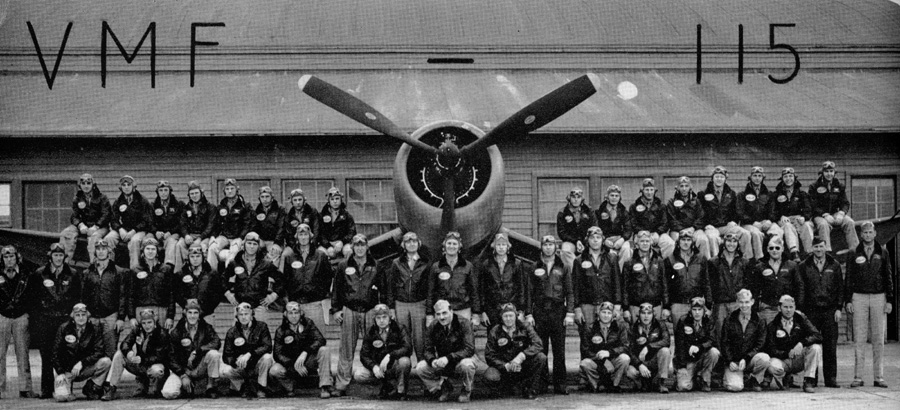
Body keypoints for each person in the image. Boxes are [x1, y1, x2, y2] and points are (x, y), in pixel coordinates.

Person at [331, 233, 383, 396]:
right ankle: (341, 384)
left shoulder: (377, 265)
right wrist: (336, 309)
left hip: (370, 310)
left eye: (362, 245)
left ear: (367, 247)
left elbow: (384, 289)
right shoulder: (343, 265)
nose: (360, 248)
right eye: (357, 245)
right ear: (352, 247)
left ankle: (379, 381)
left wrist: (385, 309)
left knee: (375, 347)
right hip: (350, 309)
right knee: (346, 349)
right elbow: (336, 290)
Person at [845, 221, 893, 388]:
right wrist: (848, 300)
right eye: (864, 232)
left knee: (878, 338)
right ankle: (858, 377)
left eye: (869, 232)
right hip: (859, 297)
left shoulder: (883, 252)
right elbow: (848, 278)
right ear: (860, 235)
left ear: (875, 233)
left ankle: (879, 377)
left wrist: (890, 300)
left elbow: (888, 277)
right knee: (859, 338)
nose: (867, 235)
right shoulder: (853, 253)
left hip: (879, 297)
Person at [527, 235, 575, 395]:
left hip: (558, 312)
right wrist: (529, 314)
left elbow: (569, 291)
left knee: (559, 350)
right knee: (541, 349)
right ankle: (541, 384)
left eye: (551, 244)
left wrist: (570, 313)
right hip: (540, 312)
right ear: (541, 247)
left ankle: (560, 384)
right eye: (545, 245)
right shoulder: (534, 267)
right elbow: (529, 293)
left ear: (556, 247)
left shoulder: (564, 267)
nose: (548, 247)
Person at [34, 243, 83, 399]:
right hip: (46, 319)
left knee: (67, 352)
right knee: (46, 354)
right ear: (50, 257)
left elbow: (77, 297)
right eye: (55, 255)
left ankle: (67, 387)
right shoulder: (40, 273)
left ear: (64, 257)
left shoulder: (73, 274)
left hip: (65, 319)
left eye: (61, 255)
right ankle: (47, 389)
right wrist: (38, 319)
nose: (58, 258)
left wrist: (72, 318)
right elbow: (34, 299)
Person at [796, 238, 843, 388]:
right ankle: (812, 378)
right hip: (811, 311)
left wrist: (839, 308)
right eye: (815, 246)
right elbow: (801, 288)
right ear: (811, 248)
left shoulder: (834, 264)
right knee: (812, 344)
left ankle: (831, 379)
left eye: (821, 246)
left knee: (830, 346)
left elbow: (840, 288)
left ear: (825, 247)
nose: (818, 249)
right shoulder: (804, 265)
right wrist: (802, 311)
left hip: (829, 310)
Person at [416, 299, 477, 403]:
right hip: (443, 363)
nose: (442, 317)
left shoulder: (464, 323)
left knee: (467, 365)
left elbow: (469, 349)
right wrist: (432, 360)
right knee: (421, 367)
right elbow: (427, 349)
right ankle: (443, 387)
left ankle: (466, 390)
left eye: (444, 313)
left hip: (459, 361)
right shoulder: (433, 325)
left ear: (451, 311)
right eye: (438, 314)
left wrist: (449, 358)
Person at [269, 301, 333, 399]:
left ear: (301, 313)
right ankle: (290, 388)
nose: (294, 316)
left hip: (308, 360)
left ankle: (325, 386)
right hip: (291, 365)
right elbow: (277, 354)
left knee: (324, 350)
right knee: (274, 370)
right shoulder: (281, 330)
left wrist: (306, 352)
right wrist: (293, 364)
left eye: (296, 313)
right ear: (285, 314)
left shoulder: (308, 323)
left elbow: (320, 340)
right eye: (291, 313)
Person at [104, 309, 172, 400]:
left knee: (157, 370)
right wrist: (129, 353)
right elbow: (124, 344)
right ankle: (111, 387)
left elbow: (160, 356)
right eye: (144, 323)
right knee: (119, 355)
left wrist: (142, 359)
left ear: (154, 322)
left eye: (149, 322)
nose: (147, 326)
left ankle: (157, 387)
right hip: (141, 364)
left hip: (154, 365)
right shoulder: (137, 330)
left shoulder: (162, 333)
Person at [484, 303, 546, 399]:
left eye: (511, 315)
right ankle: (503, 389)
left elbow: (538, 344)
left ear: (516, 316)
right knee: (490, 375)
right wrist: (505, 366)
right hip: (504, 368)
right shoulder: (495, 331)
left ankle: (530, 390)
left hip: (521, 366)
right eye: (505, 316)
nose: (508, 319)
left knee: (541, 357)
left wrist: (522, 356)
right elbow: (489, 355)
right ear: (501, 317)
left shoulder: (525, 327)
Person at [385, 231, 430, 362]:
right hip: (401, 304)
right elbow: (391, 287)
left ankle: (422, 364)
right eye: (408, 242)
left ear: (419, 243)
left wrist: (428, 309)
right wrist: (391, 308)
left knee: (420, 337)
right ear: (403, 245)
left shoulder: (425, 263)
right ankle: (404, 365)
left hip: (419, 304)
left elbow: (429, 288)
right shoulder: (396, 263)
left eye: (414, 241)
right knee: (402, 336)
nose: (411, 244)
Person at [52, 304, 112, 402]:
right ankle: (66, 387)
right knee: (62, 398)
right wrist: (61, 371)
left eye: (83, 315)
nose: (81, 318)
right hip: (66, 370)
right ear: (73, 316)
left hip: (84, 368)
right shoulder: (64, 328)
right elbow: (55, 353)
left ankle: (91, 387)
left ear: (87, 316)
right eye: (77, 315)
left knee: (106, 362)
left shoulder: (94, 329)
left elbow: (99, 351)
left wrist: (82, 363)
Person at [163, 300, 222, 399]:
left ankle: (211, 386)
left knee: (214, 354)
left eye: (195, 313)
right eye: (190, 312)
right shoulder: (176, 332)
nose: (192, 316)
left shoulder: (206, 327)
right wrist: (182, 375)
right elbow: (171, 357)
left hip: (199, 367)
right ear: (185, 313)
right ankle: (185, 388)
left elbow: (217, 342)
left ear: (199, 315)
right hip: (183, 369)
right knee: (168, 393)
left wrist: (198, 351)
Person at [0, 244, 37, 399]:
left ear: (17, 257)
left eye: (12, 256)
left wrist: (27, 313)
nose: (9, 259)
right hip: (2, 315)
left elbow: (32, 296)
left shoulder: (26, 273)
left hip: (21, 316)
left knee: (23, 353)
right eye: (6, 257)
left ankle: (25, 387)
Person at [764, 295, 822, 393]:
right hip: (783, 360)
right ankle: (784, 377)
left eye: (791, 307)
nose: (788, 310)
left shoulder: (801, 320)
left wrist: (802, 344)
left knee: (816, 348)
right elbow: (770, 349)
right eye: (785, 307)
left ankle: (808, 380)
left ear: (795, 308)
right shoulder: (773, 325)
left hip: (798, 359)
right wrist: (786, 353)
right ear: (779, 308)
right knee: (772, 366)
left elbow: (817, 335)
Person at [282, 224, 333, 333]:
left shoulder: (320, 256)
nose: (303, 237)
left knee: (318, 338)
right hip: (295, 305)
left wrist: (321, 294)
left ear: (310, 236)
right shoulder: (289, 257)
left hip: (314, 304)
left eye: (306, 234)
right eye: (301, 234)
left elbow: (328, 277)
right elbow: (285, 280)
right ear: (297, 237)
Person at [222, 232, 282, 325]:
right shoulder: (235, 262)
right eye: (249, 243)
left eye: (255, 244)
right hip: (240, 306)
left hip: (259, 307)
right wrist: (228, 294)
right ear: (244, 244)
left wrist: (273, 296)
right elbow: (222, 279)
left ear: (258, 246)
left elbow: (281, 280)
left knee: (260, 336)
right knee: (238, 337)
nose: (251, 246)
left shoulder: (265, 264)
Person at [356, 304, 412, 400]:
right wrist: (373, 366)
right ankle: (383, 387)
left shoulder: (399, 328)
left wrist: (391, 355)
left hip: (394, 365)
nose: (381, 321)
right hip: (378, 367)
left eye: (384, 317)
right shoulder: (371, 331)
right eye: (378, 318)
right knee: (359, 374)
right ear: (375, 319)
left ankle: (400, 392)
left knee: (405, 362)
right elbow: (363, 355)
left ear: (390, 318)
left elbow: (407, 347)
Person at [221, 302, 275, 399]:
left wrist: (250, 354)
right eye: (241, 315)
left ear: (252, 315)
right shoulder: (231, 332)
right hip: (241, 365)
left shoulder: (262, 326)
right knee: (225, 370)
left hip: (257, 363)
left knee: (267, 358)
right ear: (237, 316)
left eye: (246, 314)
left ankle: (261, 387)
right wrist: (235, 361)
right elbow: (226, 355)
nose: (243, 317)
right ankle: (243, 387)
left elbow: (267, 346)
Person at [720, 289, 769, 392]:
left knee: (764, 358)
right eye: (741, 302)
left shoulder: (759, 320)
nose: (744, 305)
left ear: (752, 302)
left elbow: (761, 344)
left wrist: (747, 358)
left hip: (749, 360)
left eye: (747, 302)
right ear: (737, 302)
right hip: (734, 362)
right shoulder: (729, 319)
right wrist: (729, 361)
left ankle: (754, 378)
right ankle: (732, 377)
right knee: (735, 387)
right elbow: (724, 342)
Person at [698, 166, 753, 260]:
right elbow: (700, 212)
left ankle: (746, 261)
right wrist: (706, 224)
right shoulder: (703, 194)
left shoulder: (731, 194)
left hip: (726, 226)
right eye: (717, 176)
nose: (719, 179)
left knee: (745, 234)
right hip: (712, 226)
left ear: (725, 179)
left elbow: (735, 210)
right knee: (712, 238)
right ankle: (716, 264)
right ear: (712, 178)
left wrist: (733, 221)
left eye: (721, 177)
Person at [426, 232, 481, 325]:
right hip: (442, 311)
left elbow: (474, 291)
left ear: (459, 247)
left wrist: (476, 313)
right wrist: (429, 314)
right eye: (449, 243)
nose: (452, 246)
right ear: (444, 246)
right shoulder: (436, 267)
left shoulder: (468, 266)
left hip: (463, 310)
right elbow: (430, 292)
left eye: (455, 244)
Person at [579, 301, 631, 393]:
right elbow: (585, 350)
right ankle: (596, 384)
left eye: (609, 313)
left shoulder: (620, 327)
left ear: (613, 315)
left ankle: (614, 384)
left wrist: (610, 353)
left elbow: (625, 346)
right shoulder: (589, 328)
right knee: (584, 363)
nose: (606, 315)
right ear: (598, 314)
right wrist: (602, 361)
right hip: (596, 361)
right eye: (603, 312)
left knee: (625, 358)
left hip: (613, 360)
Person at [573, 227, 621, 326]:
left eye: (598, 237)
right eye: (592, 237)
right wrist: (577, 308)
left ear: (603, 240)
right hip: (587, 305)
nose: (595, 240)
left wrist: (617, 305)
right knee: (586, 337)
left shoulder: (612, 258)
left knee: (607, 337)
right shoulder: (579, 260)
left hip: (607, 306)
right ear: (587, 240)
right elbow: (575, 286)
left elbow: (617, 283)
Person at [479, 232, 528, 329]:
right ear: (494, 247)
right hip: (492, 309)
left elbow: (521, 287)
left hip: (511, 308)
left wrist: (521, 310)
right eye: (498, 244)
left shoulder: (516, 264)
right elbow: (482, 289)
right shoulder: (487, 264)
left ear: (508, 247)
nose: (501, 247)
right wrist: (483, 311)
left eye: (503, 244)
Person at [808, 161, 859, 253]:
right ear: (822, 172)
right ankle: (827, 252)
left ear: (834, 172)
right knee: (823, 225)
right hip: (819, 215)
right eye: (826, 171)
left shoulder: (839, 185)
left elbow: (845, 203)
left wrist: (841, 213)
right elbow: (812, 205)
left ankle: (855, 250)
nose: (829, 174)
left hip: (835, 213)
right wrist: (824, 214)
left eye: (831, 171)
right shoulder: (814, 186)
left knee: (850, 222)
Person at [60, 173, 111, 264]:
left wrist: (96, 226)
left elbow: (106, 215)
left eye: (88, 183)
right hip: (84, 226)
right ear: (80, 185)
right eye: (83, 183)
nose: (86, 186)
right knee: (66, 233)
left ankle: (94, 265)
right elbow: (74, 216)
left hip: (100, 226)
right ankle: (64, 263)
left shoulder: (102, 197)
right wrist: (80, 225)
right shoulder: (77, 198)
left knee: (94, 238)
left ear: (93, 184)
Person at [104, 175, 153, 268]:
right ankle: (109, 267)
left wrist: (134, 230)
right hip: (124, 229)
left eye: (128, 185)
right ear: (121, 187)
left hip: (139, 230)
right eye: (124, 185)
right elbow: (113, 219)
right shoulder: (118, 201)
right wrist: (120, 229)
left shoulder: (142, 200)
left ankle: (135, 268)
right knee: (109, 238)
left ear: (133, 187)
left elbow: (147, 221)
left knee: (134, 241)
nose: (126, 187)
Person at [736, 166, 784, 261]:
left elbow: (773, 210)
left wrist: (769, 221)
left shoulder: (769, 194)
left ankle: (776, 257)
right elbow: (739, 212)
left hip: (765, 222)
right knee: (756, 234)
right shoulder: (742, 195)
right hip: (749, 224)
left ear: (763, 178)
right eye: (755, 175)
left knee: (777, 231)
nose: (757, 178)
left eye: (759, 175)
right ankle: (759, 259)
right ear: (750, 177)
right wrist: (753, 222)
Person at [128, 237, 176, 331]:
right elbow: (130, 295)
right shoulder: (135, 270)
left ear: (157, 251)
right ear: (143, 251)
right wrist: (131, 317)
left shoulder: (166, 269)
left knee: (162, 340)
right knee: (141, 341)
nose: (150, 251)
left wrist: (170, 316)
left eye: (153, 249)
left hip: (161, 310)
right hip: (141, 310)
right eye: (148, 249)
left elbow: (171, 294)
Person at [709, 234, 749, 342]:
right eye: (729, 241)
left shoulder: (744, 262)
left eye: (734, 241)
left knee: (737, 332)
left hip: (737, 303)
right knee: (720, 333)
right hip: (720, 304)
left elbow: (747, 283)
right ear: (724, 243)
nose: (731, 244)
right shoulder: (714, 262)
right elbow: (710, 284)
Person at [674, 296, 720, 392]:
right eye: (694, 309)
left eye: (700, 309)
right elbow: (679, 344)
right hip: (688, 360)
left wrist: (699, 347)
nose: (697, 312)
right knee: (683, 386)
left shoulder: (709, 321)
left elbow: (712, 340)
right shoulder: (683, 321)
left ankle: (704, 379)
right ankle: (694, 379)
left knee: (714, 352)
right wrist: (682, 366)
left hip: (703, 357)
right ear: (690, 310)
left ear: (704, 310)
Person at [666, 228, 711, 324]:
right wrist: (667, 306)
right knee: (679, 335)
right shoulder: (670, 259)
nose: (686, 243)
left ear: (693, 242)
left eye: (688, 240)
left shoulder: (701, 258)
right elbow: (666, 285)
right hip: (678, 304)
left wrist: (708, 304)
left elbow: (706, 282)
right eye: (683, 240)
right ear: (678, 242)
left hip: (696, 304)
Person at [749, 236, 798, 324]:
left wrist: (797, 306)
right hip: (768, 308)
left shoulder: (792, 265)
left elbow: (799, 286)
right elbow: (755, 289)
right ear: (767, 249)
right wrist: (755, 308)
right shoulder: (760, 267)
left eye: (777, 248)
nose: (774, 250)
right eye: (771, 248)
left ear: (782, 249)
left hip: (787, 308)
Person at [622, 230, 669, 322]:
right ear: (636, 243)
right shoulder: (629, 262)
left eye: (647, 241)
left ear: (651, 242)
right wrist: (625, 308)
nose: (645, 243)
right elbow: (625, 287)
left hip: (655, 306)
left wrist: (666, 306)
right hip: (636, 306)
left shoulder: (659, 261)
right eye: (642, 241)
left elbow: (665, 284)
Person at [626, 302, 671, 393]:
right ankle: (642, 383)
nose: (646, 316)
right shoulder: (633, 327)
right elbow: (629, 350)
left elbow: (667, 341)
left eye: (649, 313)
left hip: (655, 362)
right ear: (639, 314)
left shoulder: (660, 324)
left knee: (665, 351)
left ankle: (661, 383)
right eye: (643, 313)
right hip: (641, 362)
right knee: (629, 371)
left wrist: (649, 347)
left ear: (653, 314)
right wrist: (639, 365)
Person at [769, 168, 814, 258]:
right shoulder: (775, 195)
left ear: (795, 178)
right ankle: (794, 253)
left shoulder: (802, 194)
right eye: (785, 176)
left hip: (799, 220)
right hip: (784, 221)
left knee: (807, 225)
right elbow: (771, 212)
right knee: (788, 226)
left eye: (790, 176)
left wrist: (804, 217)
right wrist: (780, 216)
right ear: (782, 179)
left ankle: (810, 253)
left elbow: (808, 209)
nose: (788, 178)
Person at [208, 178, 252, 271]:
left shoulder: (244, 206)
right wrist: (213, 236)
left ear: (237, 190)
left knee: (233, 252)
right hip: (224, 237)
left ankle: (229, 280)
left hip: (238, 237)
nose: (230, 191)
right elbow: (217, 224)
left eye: (232, 188)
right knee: (212, 247)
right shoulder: (221, 206)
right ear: (224, 191)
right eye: (227, 189)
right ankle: (212, 275)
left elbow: (247, 224)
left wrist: (240, 238)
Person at [175, 242, 223, 323]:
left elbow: (217, 294)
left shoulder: (212, 274)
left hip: (207, 314)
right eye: (192, 256)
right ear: (188, 258)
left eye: (198, 256)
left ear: (203, 257)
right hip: (189, 314)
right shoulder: (181, 274)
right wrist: (188, 305)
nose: (195, 259)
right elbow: (177, 293)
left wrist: (206, 308)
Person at [666, 176, 711, 259]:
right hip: (677, 231)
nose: (684, 189)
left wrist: (693, 228)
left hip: (694, 229)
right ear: (677, 188)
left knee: (703, 239)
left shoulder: (696, 201)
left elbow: (701, 217)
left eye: (686, 186)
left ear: (690, 187)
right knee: (677, 242)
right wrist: (682, 230)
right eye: (681, 186)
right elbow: (671, 220)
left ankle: (706, 265)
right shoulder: (671, 202)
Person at [628, 178, 675, 258]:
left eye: (651, 190)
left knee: (669, 243)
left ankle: (661, 265)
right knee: (641, 244)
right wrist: (643, 233)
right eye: (647, 190)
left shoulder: (661, 206)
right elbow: (633, 223)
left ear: (654, 191)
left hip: (657, 234)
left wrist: (657, 232)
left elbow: (665, 223)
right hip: (640, 233)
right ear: (642, 191)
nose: (649, 193)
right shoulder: (634, 206)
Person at [177, 181, 216, 269]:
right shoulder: (186, 208)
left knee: (201, 247)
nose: (194, 195)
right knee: (179, 244)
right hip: (191, 235)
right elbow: (182, 224)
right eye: (192, 193)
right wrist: (186, 235)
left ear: (201, 193)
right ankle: (183, 270)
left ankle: (205, 271)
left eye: (196, 193)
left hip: (204, 236)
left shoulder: (210, 207)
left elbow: (210, 226)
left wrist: (200, 238)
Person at [595, 184, 633, 271]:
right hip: (604, 240)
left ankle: (621, 274)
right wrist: (604, 240)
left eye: (617, 196)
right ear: (607, 197)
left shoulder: (624, 212)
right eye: (612, 195)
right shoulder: (599, 212)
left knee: (626, 248)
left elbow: (628, 229)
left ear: (620, 197)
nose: (614, 198)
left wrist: (622, 239)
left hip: (619, 239)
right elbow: (596, 229)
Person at [280, 189, 320, 270]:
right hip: (295, 245)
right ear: (291, 201)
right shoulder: (289, 216)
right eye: (295, 200)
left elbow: (316, 230)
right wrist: (296, 248)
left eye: (300, 199)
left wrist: (312, 245)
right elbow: (288, 235)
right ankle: (282, 280)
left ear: (304, 200)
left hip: (311, 244)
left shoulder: (312, 212)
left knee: (321, 255)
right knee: (285, 255)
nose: (298, 202)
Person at [557, 187, 596, 268]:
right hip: (571, 241)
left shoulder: (589, 211)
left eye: (578, 197)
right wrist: (576, 241)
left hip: (586, 241)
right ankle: (573, 273)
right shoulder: (563, 212)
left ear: (582, 199)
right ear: (569, 198)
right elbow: (562, 233)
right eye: (573, 197)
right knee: (565, 249)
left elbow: (594, 227)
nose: (576, 200)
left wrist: (585, 241)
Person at [150, 180, 184, 268]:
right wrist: (156, 232)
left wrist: (170, 232)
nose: (163, 193)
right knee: (148, 241)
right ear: (157, 192)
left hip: (173, 233)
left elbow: (181, 223)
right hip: (158, 234)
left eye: (166, 190)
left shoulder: (178, 205)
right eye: (161, 191)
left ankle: (167, 267)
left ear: (170, 191)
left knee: (171, 242)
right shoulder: (153, 205)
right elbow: (150, 222)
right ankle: (148, 268)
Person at [249, 186, 285, 265]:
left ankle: (272, 277)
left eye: (267, 196)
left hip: (274, 240)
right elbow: (254, 227)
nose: (265, 199)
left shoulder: (280, 209)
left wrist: (277, 243)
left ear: (272, 197)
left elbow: (281, 227)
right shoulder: (258, 209)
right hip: (262, 240)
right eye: (262, 197)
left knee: (273, 256)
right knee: (249, 250)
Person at [318, 187, 357, 259]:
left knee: (349, 251)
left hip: (343, 243)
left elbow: (352, 232)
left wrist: (342, 242)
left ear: (341, 200)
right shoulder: (322, 216)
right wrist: (328, 246)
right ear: (328, 201)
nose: (335, 201)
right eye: (332, 199)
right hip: (327, 244)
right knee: (320, 254)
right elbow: (320, 233)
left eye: (337, 198)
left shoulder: (347, 216)